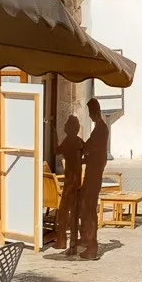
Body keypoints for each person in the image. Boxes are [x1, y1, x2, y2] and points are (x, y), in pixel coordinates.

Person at [75, 99, 113, 260]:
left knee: (89, 208)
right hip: (92, 172)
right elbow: (89, 147)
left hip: (94, 173)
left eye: (91, 114)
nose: (90, 116)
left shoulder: (100, 129)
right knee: (84, 205)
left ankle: (92, 244)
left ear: (95, 113)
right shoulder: (99, 128)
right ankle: (85, 238)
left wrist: (83, 155)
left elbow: (92, 149)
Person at [52, 114, 87, 254]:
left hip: (69, 182)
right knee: (74, 212)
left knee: (64, 212)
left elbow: (56, 151)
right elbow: (87, 155)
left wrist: (54, 136)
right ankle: (72, 241)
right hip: (76, 182)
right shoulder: (79, 142)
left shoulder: (68, 141)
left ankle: (62, 241)